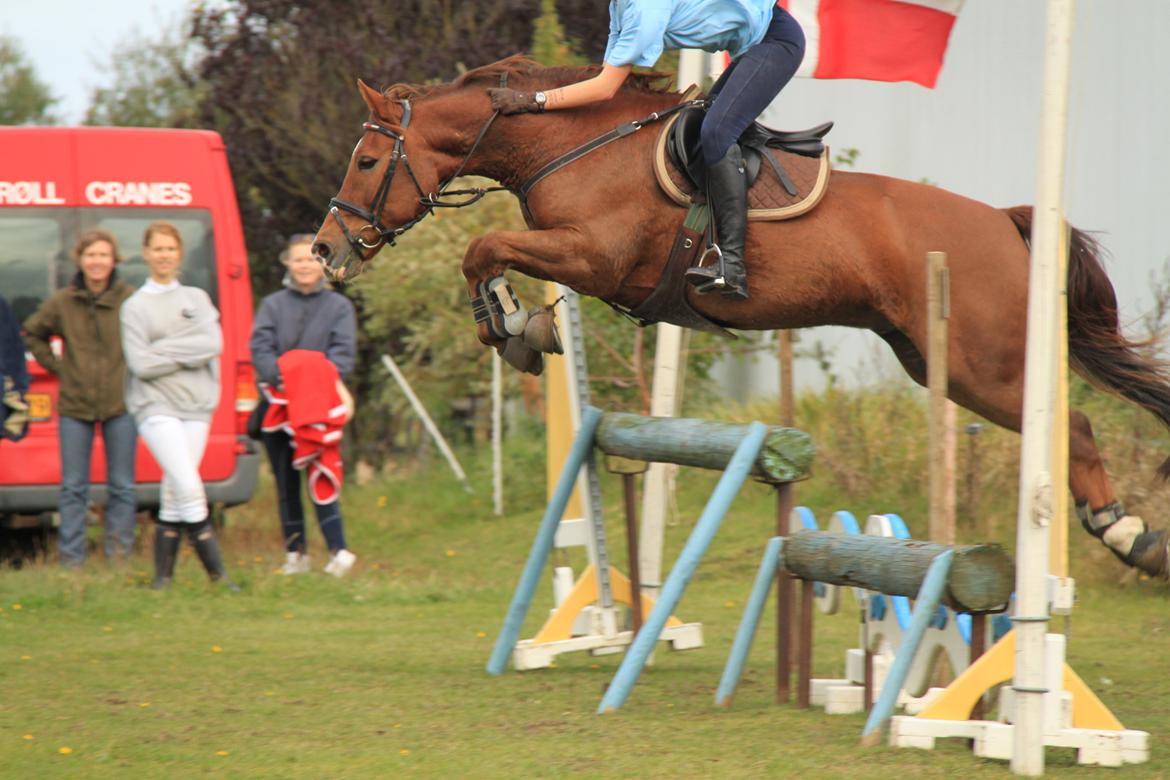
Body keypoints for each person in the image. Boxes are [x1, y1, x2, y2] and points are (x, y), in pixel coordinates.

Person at [488, 0, 806, 301]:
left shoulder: (643, 7)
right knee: (698, 126)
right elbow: (606, 80)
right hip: (755, 46)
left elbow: (605, 88)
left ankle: (733, 265)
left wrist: (535, 100)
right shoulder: (622, 7)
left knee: (715, 132)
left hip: (776, 43)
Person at [120, 221, 236, 590]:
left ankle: (162, 581)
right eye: (157, 249)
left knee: (173, 490)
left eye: (170, 249)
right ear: (146, 253)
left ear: (179, 253)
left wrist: (161, 349)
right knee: (188, 484)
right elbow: (140, 365)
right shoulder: (134, 307)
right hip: (155, 406)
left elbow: (213, 343)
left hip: (196, 406)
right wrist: (187, 349)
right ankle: (219, 576)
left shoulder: (196, 298)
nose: (164, 255)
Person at [23, 230, 138, 565]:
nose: (97, 262)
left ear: (113, 260)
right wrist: (58, 368)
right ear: (80, 261)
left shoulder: (130, 299)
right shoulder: (63, 301)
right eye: (91, 255)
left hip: (121, 403)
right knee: (74, 487)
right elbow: (33, 333)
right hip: (74, 405)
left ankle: (119, 557)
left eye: (103, 255)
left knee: (122, 487)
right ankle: (72, 561)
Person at [250, 234, 358, 577]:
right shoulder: (272, 306)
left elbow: (342, 356)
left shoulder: (339, 308)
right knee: (286, 483)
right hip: (279, 406)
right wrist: (284, 380)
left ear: (324, 262)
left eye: (312, 258)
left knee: (322, 474)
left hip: (319, 408)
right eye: (298, 259)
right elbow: (261, 349)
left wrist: (310, 381)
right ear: (287, 263)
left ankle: (338, 551)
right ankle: (296, 554)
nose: (305, 265)